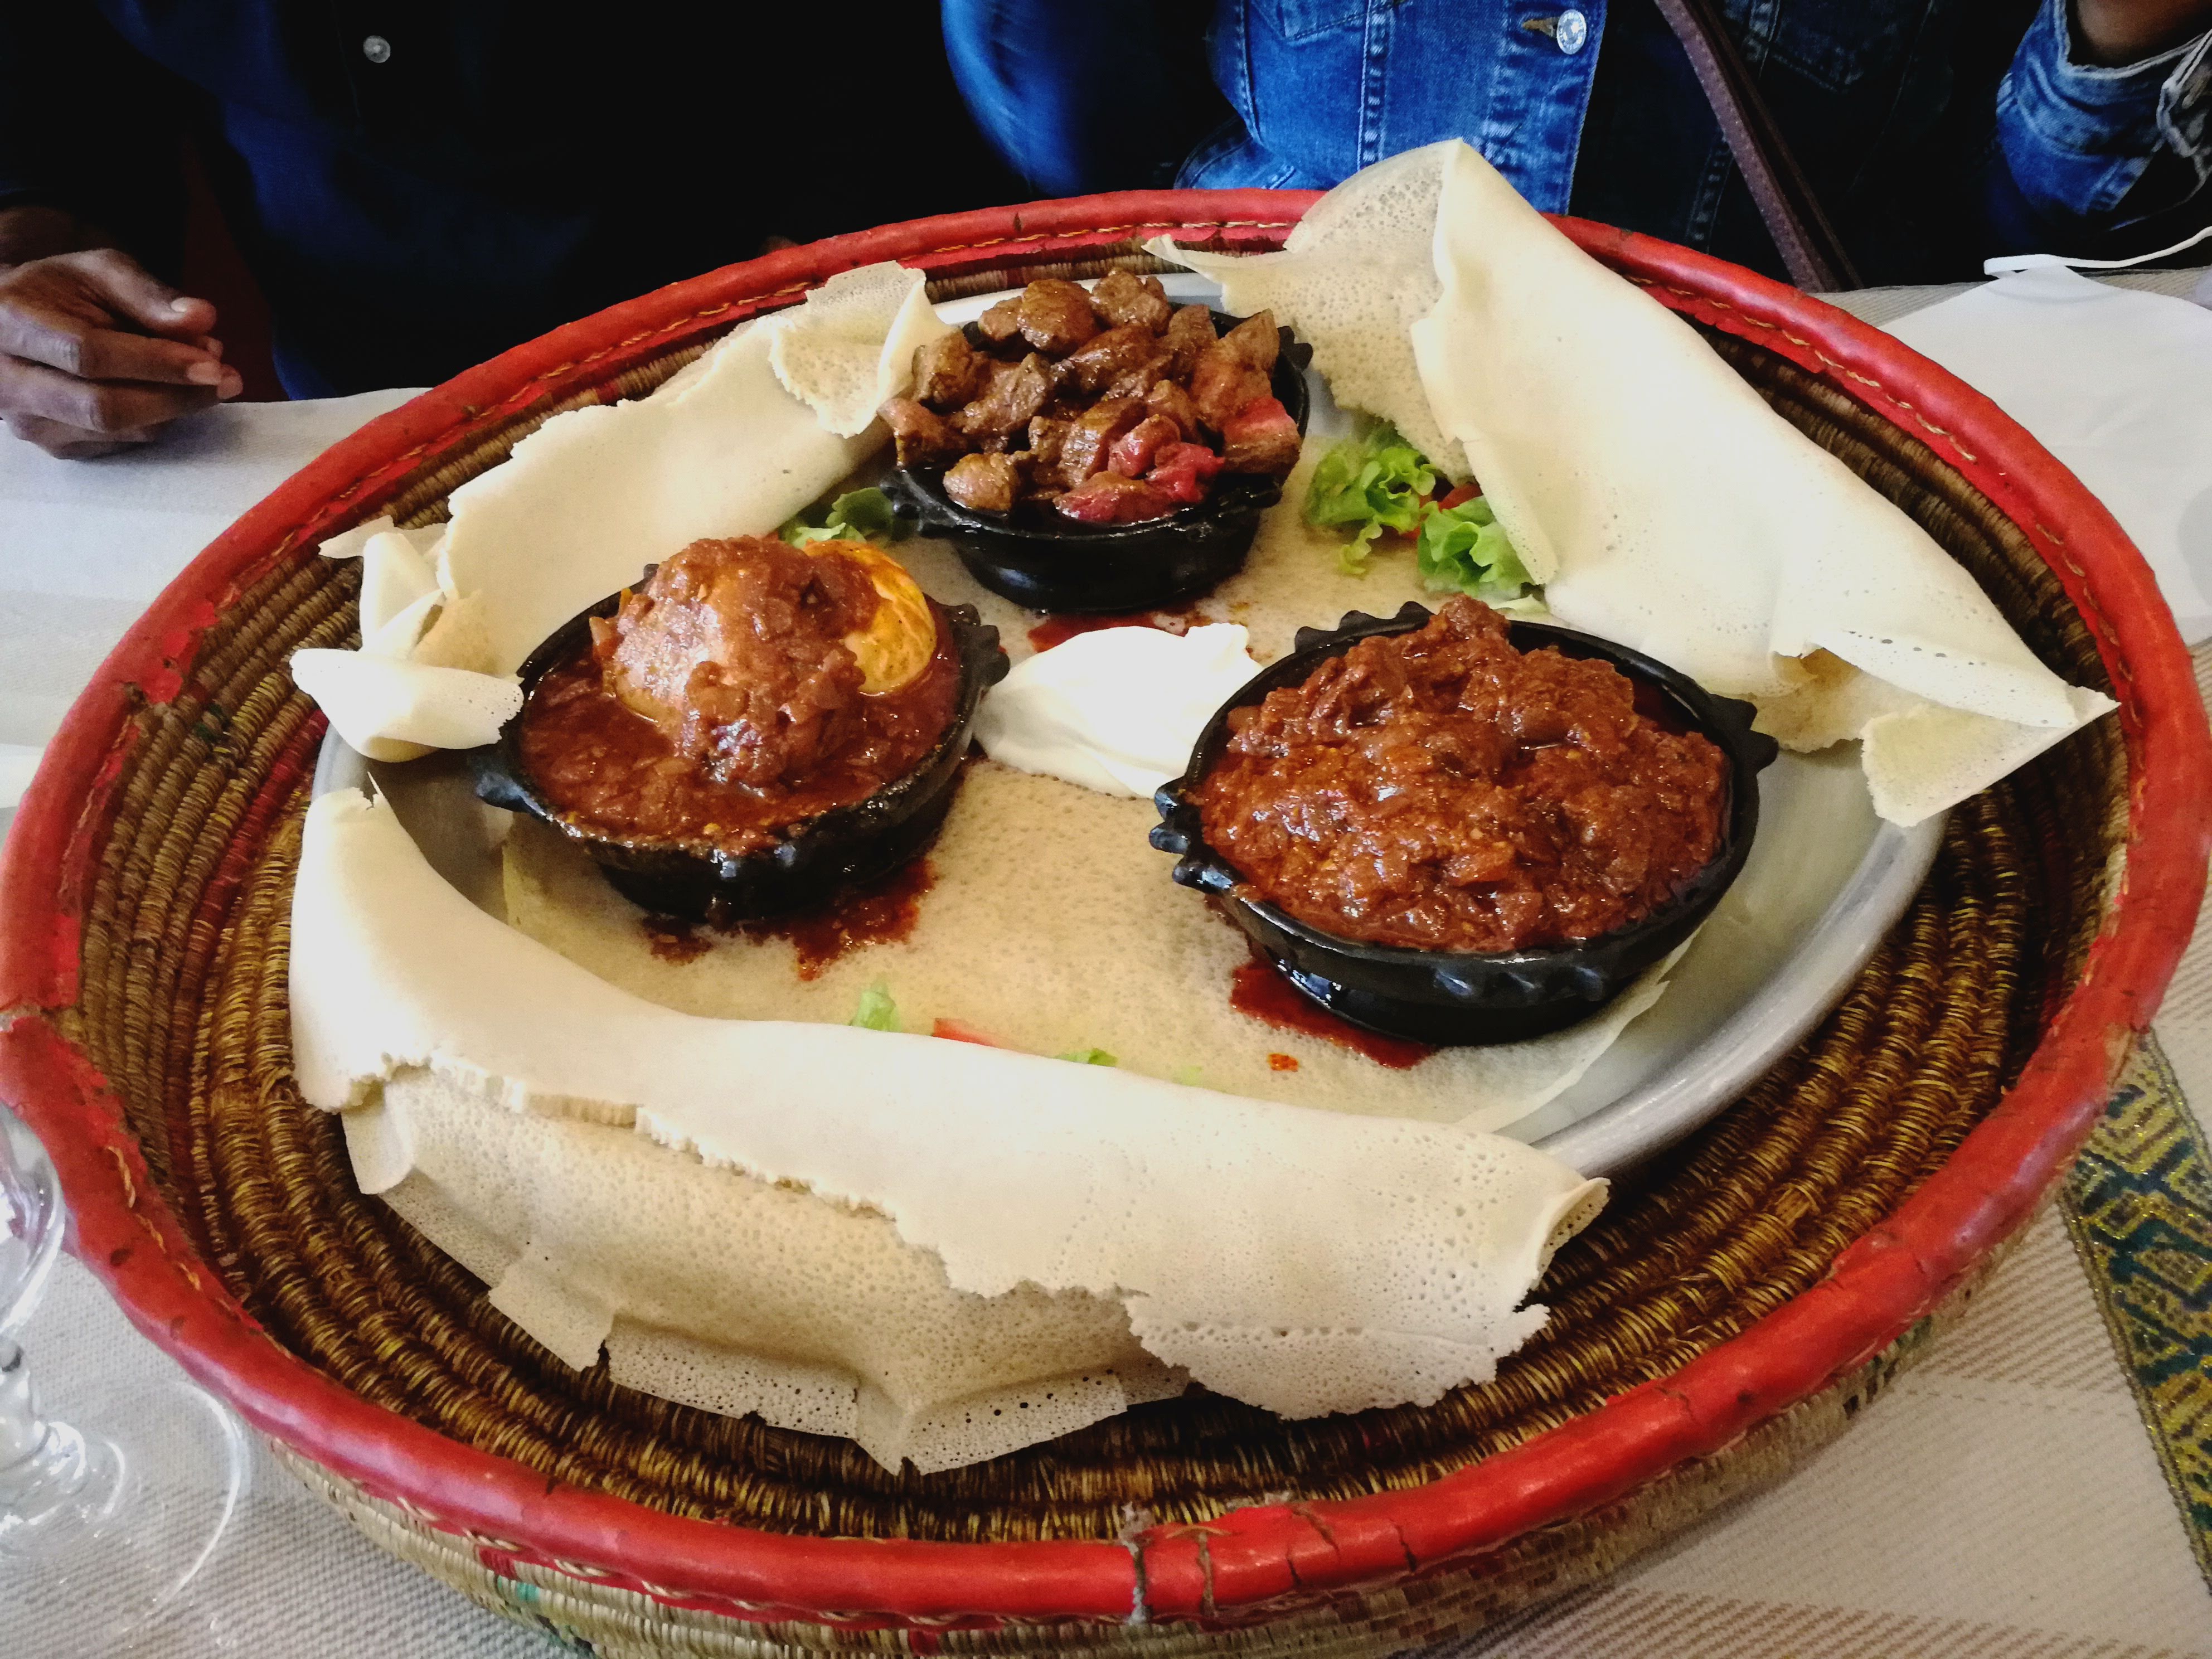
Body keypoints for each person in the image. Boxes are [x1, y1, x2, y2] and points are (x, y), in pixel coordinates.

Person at [0, 3, 1023, 458]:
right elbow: (55, 101)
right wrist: (37, 276)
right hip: (367, 416)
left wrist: (844, 259)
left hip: (822, 341)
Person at [943, 0, 2212, 286]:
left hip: (1763, 421)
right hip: (1275, 369)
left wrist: (2132, 25)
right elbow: (1079, 141)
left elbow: (2018, 249)